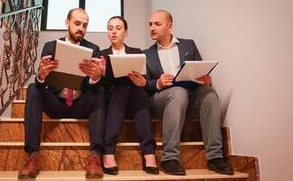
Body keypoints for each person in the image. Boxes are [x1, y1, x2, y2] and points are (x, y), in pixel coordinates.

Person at [143, 10, 234, 175]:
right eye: (150, 24)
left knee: (209, 94)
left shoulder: (189, 45)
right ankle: (170, 158)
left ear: (169, 26)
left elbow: (199, 68)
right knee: (178, 92)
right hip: (161, 100)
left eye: (157, 24)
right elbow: (144, 86)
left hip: (188, 96)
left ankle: (215, 157)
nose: (152, 28)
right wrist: (157, 82)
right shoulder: (146, 54)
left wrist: (205, 78)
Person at [18, 8, 105, 179]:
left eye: (85, 25)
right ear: (67, 23)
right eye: (77, 23)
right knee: (33, 89)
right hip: (56, 104)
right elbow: (41, 84)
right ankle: (33, 155)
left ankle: (95, 155)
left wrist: (95, 77)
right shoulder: (50, 46)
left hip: (81, 105)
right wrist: (41, 75)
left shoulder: (94, 49)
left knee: (100, 90)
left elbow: (94, 87)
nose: (81, 28)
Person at [99, 16, 159, 175]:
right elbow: (101, 87)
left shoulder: (136, 52)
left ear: (126, 32)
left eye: (118, 28)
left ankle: (149, 152)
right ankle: (108, 152)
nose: (113, 32)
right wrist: (105, 74)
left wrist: (142, 82)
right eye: (110, 28)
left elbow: (144, 80)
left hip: (135, 98)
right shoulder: (102, 54)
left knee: (138, 91)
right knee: (120, 89)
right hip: (113, 100)